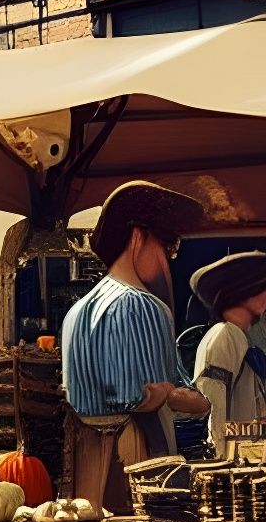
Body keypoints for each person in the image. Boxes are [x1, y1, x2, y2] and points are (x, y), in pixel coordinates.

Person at [62, 180, 211, 455]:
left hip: (84, 456)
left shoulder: (75, 313)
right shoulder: (145, 306)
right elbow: (137, 398)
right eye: (167, 247)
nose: (168, 260)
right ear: (137, 237)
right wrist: (170, 394)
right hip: (138, 455)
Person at [191, 251, 266, 458]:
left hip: (249, 455)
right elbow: (215, 408)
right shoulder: (223, 337)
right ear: (244, 293)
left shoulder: (236, 336)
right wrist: (221, 460)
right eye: (262, 288)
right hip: (236, 460)